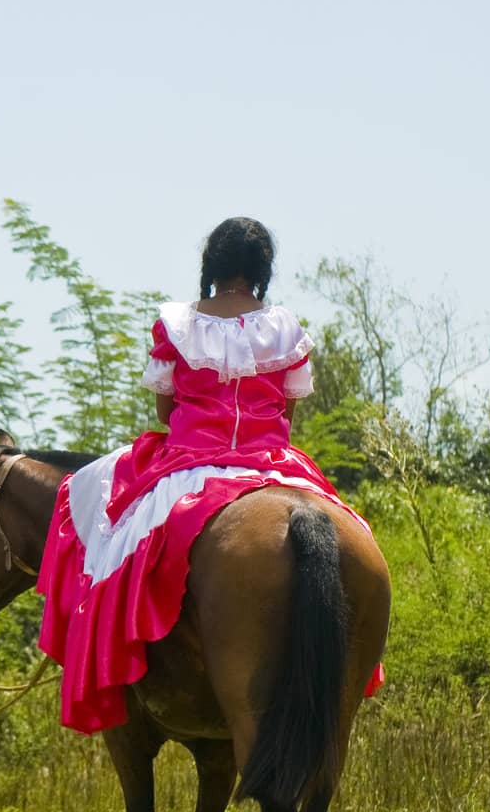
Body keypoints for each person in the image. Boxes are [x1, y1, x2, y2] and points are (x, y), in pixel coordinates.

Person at [35, 217, 384, 733]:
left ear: (212, 266)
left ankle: (110, 654)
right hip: (272, 461)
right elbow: (289, 412)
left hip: (190, 461)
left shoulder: (176, 324)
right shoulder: (285, 328)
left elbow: (163, 409)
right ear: (262, 269)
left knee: (104, 521)